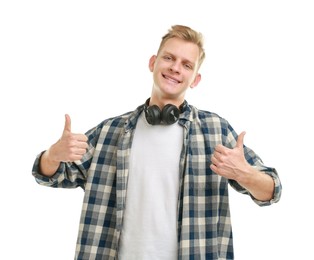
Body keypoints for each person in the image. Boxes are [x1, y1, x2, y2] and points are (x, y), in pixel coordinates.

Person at [32, 25, 282, 260]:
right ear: (153, 63)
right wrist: (53, 155)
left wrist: (245, 173)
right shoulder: (111, 132)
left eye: (186, 65)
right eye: (169, 58)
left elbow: (272, 190)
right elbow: (50, 175)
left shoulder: (215, 131)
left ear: (195, 79)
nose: (175, 68)